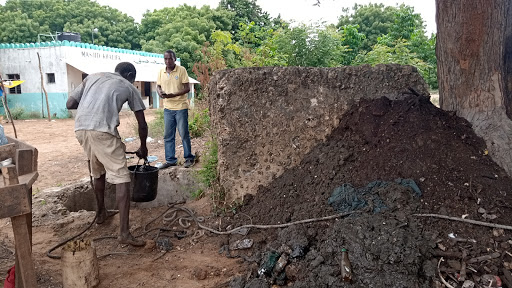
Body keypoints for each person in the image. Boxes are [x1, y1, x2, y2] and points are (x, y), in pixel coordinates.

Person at [66, 62, 147, 246]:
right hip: (103, 131)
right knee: (122, 178)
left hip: (81, 129)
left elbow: (70, 103)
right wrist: (143, 147)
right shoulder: (127, 86)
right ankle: (124, 233)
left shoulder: (93, 77)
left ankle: (101, 213)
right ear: (129, 74)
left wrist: (91, 106)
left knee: (98, 172)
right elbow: (142, 123)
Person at [156, 49, 196, 169]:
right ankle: (170, 160)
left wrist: (173, 95)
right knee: (168, 135)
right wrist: (159, 92)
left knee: (183, 133)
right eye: (165, 59)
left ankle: (189, 158)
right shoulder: (161, 72)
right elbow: (158, 86)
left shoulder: (181, 70)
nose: (167, 61)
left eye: (170, 58)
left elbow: (187, 88)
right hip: (168, 107)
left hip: (180, 106)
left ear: (174, 59)